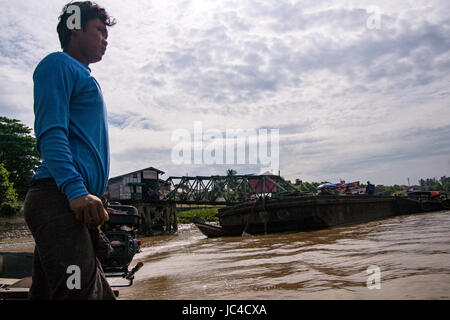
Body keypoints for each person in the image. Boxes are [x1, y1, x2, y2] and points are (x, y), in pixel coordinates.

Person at [23, 1, 117, 300]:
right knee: (80, 293)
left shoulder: (84, 75)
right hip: (58, 197)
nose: (106, 38)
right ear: (74, 28)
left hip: (71, 204)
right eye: (100, 31)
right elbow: (51, 132)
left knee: (50, 293)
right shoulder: (58, 64)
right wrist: (76, 191)